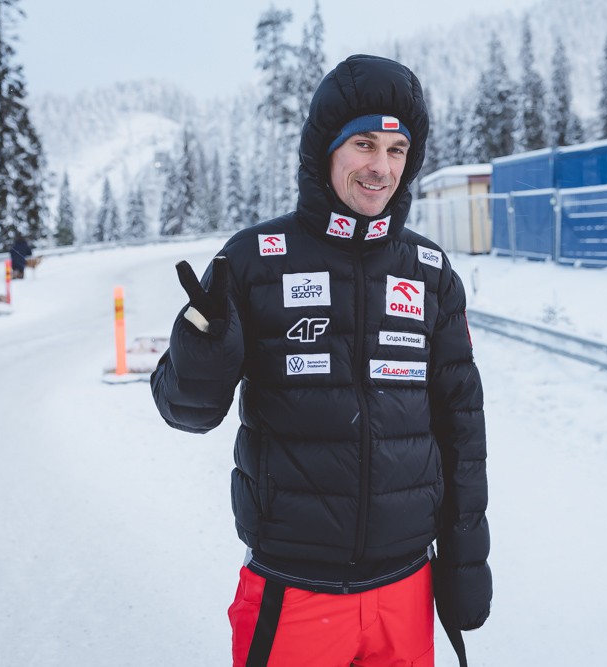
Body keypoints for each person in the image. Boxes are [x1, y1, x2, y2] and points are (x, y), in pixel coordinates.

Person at [151, 54, 491, 667]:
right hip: (294, 588)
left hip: (406, 587)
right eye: (364, 144)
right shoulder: (254, 261)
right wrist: (202, 347)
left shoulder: (430, 272)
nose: (381, 167)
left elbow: (461, 429)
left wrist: (465, 563)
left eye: (397, 149)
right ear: (325, 150)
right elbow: (187, 412)